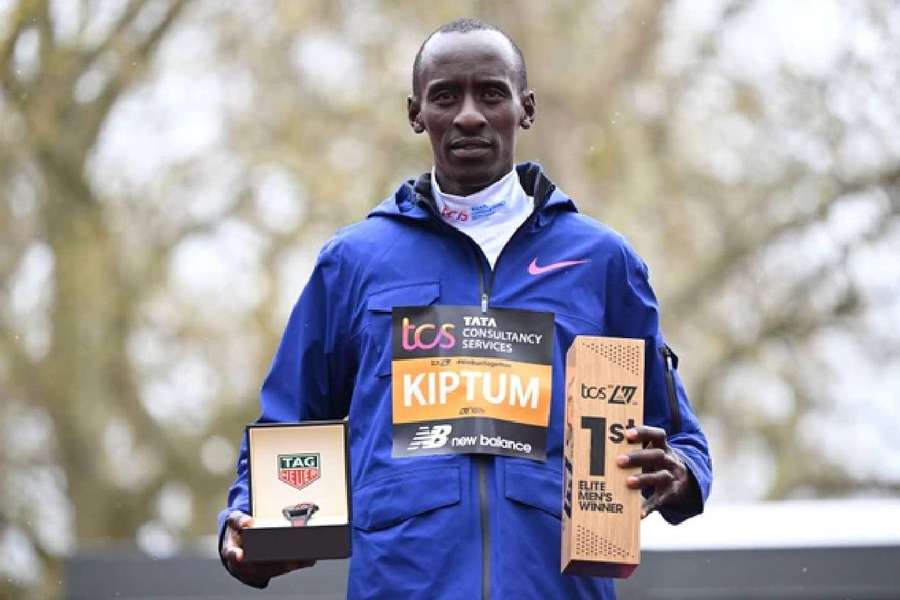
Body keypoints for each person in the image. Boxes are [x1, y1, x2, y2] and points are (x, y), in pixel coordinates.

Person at [219, 17, 712, 599]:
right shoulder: (353, 262)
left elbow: (678, 438)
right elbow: (291, 421)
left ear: (526, 108)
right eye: (446, 96)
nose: (469, 114)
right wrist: (249, 520)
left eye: (492, 93)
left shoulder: (602, 261)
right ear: (415, 113)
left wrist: (680, 476)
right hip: (402, 585)